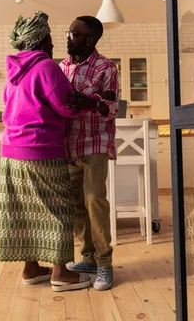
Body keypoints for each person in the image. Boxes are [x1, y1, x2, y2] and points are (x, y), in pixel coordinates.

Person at [0, 11, 102, 292]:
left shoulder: (13, 71)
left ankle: (31, 269)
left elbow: (8, 103)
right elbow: (67, 106)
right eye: (50, 37)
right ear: (41, 40)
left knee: (25, 212)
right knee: (58, 209)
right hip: (42, 150)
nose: (55, 43)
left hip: (11, 152)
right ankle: (60, 274)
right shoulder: (46, 66)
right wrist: (93, 101)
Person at [59, 16, 119, 291]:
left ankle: (105, 264)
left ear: (90, 39)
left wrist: (93, 101)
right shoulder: (61, 67)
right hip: (68, 145)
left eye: (73, 33)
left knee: (95, 200)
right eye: (70, 32)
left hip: (95, 142)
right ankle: (89, 258)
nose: (68, 37)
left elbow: (113, 107)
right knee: (75, 206)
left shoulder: (107, 67)